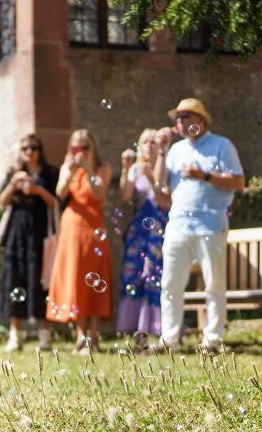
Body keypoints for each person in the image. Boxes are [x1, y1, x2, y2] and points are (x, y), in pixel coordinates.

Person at [153, 98, 244, 350]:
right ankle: (169, 338)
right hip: (178, 225)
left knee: (214, 284)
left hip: (210, 224)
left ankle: (212, 338)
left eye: (185, 117)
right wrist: (161, 152)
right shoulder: (175, 150)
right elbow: (161, 192)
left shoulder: (222, 145)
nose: (179, 122)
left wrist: (203, 175)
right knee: (170, 284)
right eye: (177, 118)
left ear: (200, 120)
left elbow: (238, 182)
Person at [48, 129, 112, 353]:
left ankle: (94, 336)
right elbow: (60, 193)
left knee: (95, 281)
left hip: (94, 229)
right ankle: (80, 335)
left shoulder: (102, 168)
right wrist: (68, 172)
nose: (81, 152)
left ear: (92, 147)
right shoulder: (68, 168)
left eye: (85, 147)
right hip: (72, 229)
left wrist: (87, 169)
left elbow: (97, 194)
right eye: (77, 147)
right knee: (75, 281)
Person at [0, 133, 58, 352]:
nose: (29, 152)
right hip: (17, 234)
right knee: (15, 281)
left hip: (40, 234)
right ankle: (15, 336)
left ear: (40, 151)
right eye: (25, 149)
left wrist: (38, 190)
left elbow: (56, 202)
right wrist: (13, 185)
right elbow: (1, 202)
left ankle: (45, 335)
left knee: (42, 282)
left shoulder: (50, 173)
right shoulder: (13, 173)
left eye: (34, 148)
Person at [116, 128, 168, 336]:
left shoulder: (165, 167)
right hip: (138, 231)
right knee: (133, 274)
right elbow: (124, 196)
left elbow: (165, 202)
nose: (148, 146)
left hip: (159, 229)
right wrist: (125, 167)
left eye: (153, 142)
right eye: (145, 142)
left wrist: (153, 179)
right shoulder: (135, 169)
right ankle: (134, 328)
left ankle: (155, 327)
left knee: (154, 273)